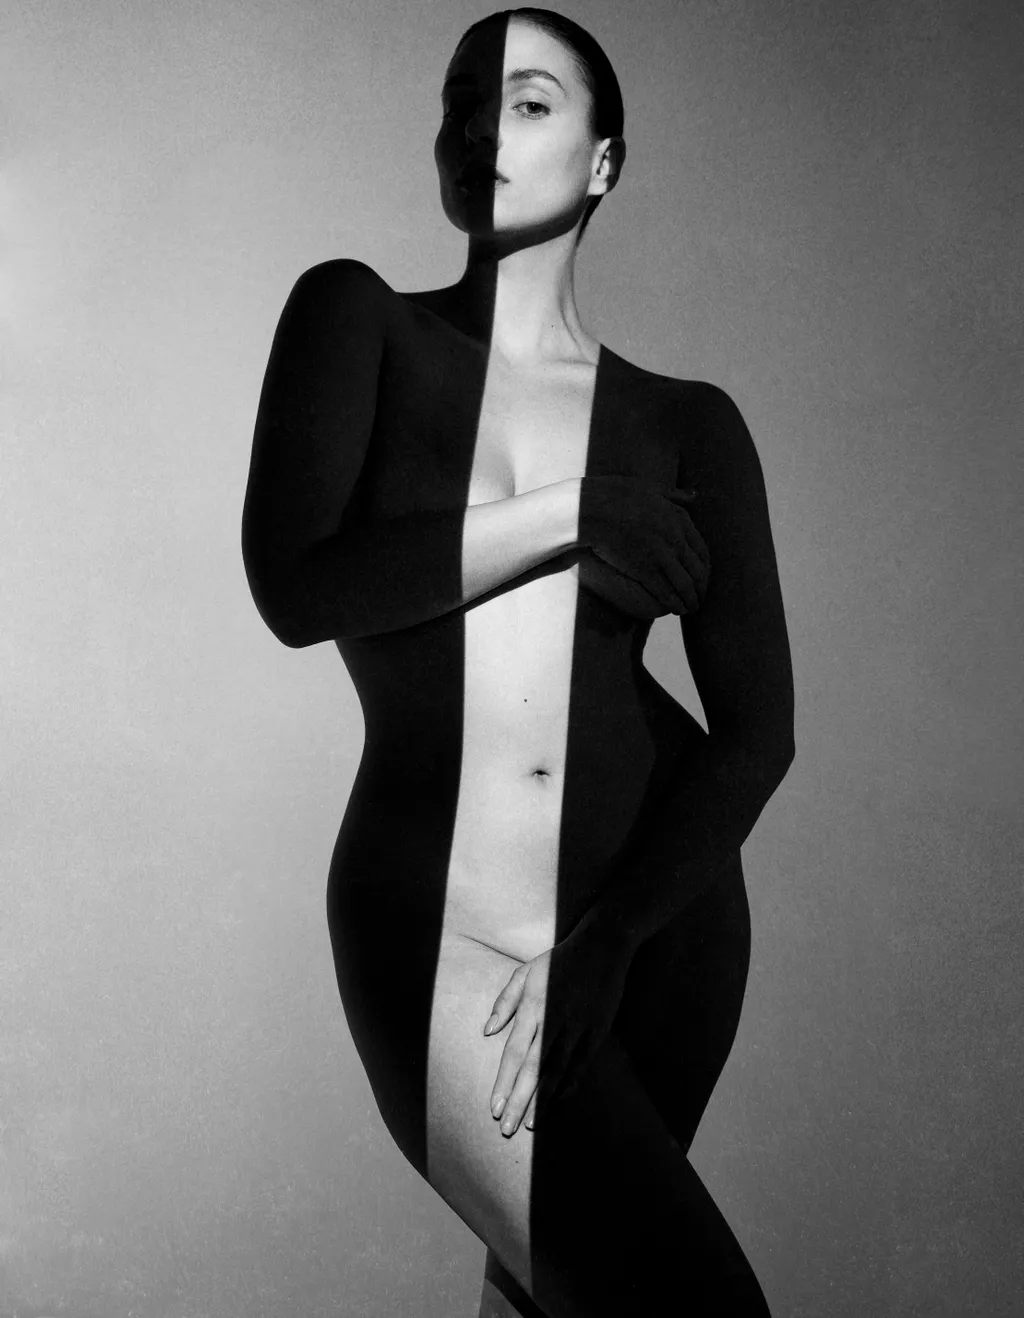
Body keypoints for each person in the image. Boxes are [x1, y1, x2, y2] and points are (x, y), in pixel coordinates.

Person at [241, 8, 794, 1315]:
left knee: (560, 1301)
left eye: (529, 102)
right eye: (461, 102)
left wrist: (617, 937)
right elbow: (299, 587)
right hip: (449, 925)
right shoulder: (360, 320)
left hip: (658, 933)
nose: (482, 127)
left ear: (603, 161)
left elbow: (757, 733)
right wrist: (569, 514)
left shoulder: (687, 424)